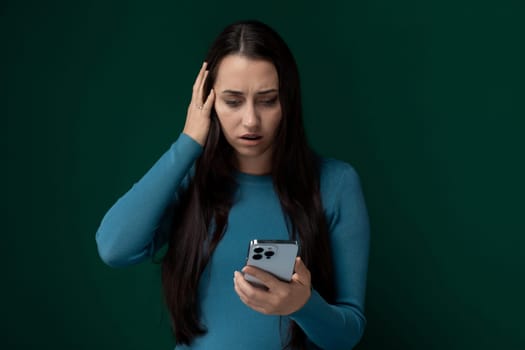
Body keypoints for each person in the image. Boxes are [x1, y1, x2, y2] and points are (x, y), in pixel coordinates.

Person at [96, 20, 370, 350]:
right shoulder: (189, 179)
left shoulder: (336, 183)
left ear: (288, 103)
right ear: (208, 101)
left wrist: (303, 305)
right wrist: (187, 142)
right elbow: (114, 248)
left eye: (267, 100)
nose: (251, 120)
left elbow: (347, 333)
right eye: (233, 101)